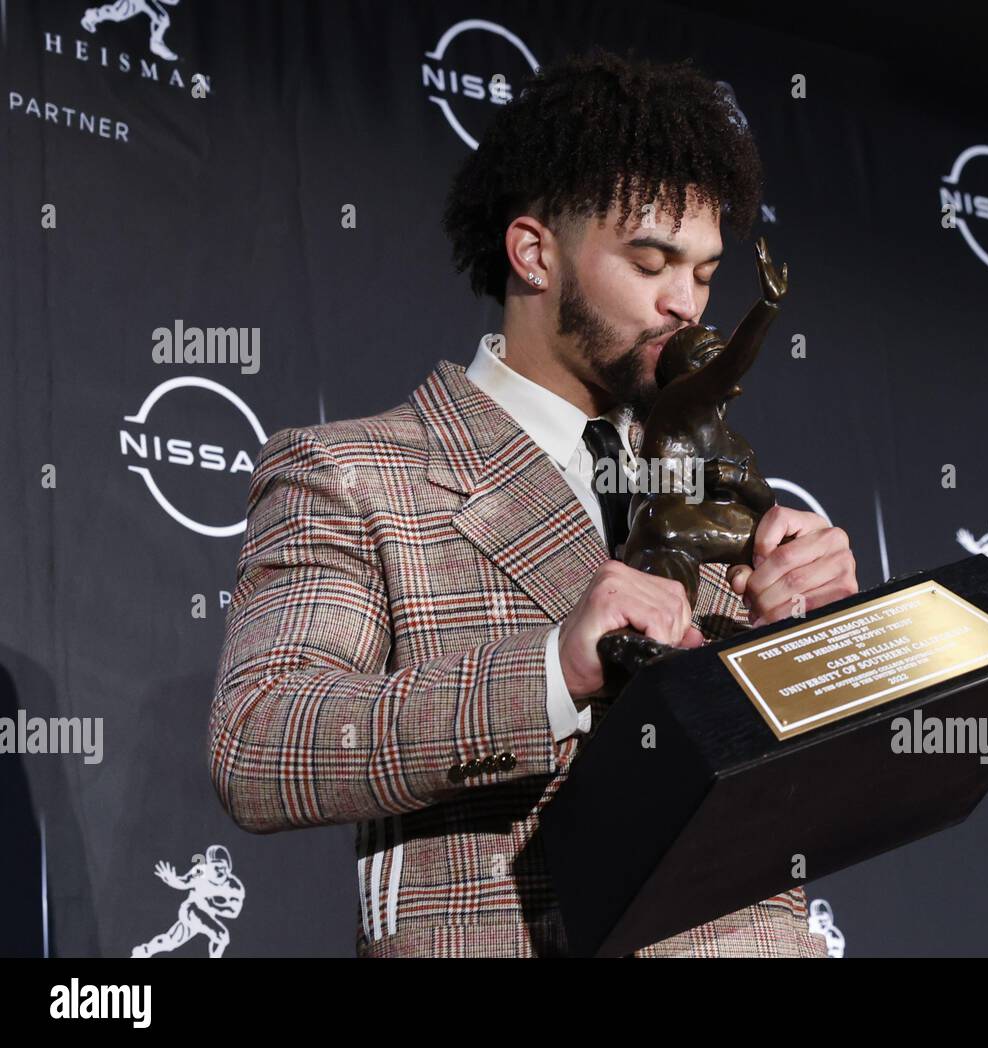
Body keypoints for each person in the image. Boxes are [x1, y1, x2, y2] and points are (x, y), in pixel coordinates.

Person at [208, 47, 857, 957]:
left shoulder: (720, 496)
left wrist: (818, 640)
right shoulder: (352, 473)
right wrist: (553, 671)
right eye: (651, 261)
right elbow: (265, 748)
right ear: (533, 252)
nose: (687, 306)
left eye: (706, 274)